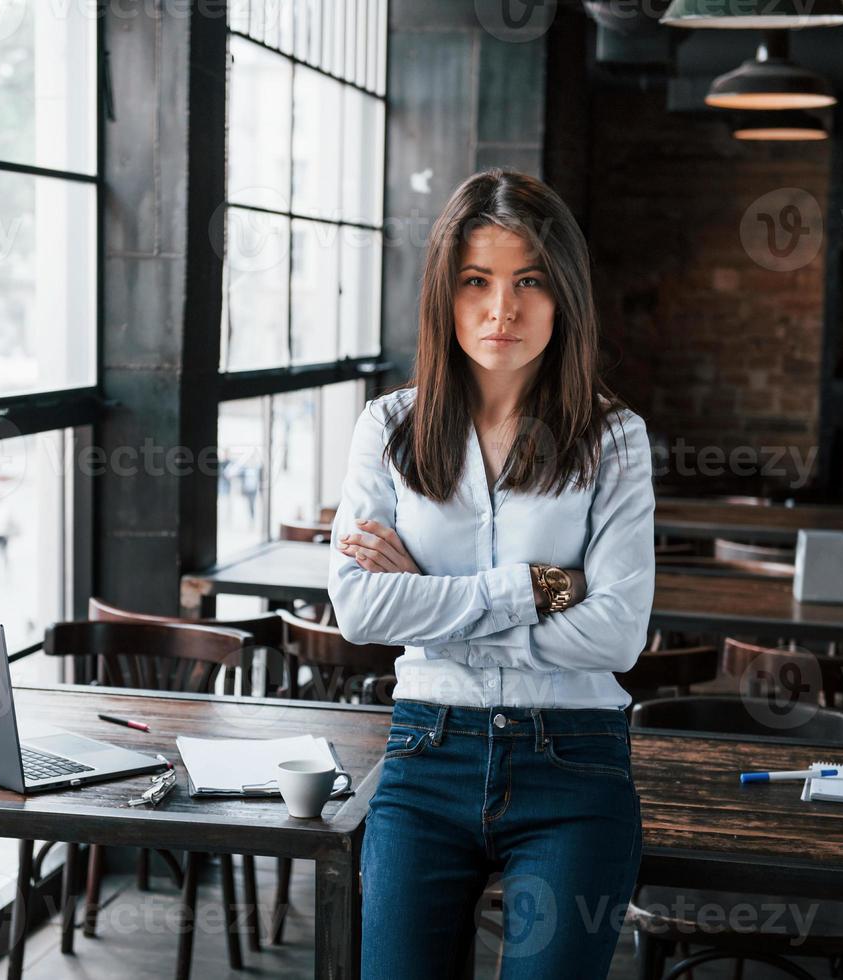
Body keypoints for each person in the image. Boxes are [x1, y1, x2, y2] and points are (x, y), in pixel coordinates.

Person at [328, 168, 654, 979]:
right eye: (476, 281)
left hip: (574, 762)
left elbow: (617, 634)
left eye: (529, 282)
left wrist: (431, 610)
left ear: (564, 295)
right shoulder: (388, 427)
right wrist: (534, 589)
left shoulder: (614, 439)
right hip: (425, 751)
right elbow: (358, 609)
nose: (501, 310)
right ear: (445, 292)